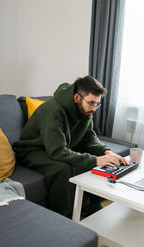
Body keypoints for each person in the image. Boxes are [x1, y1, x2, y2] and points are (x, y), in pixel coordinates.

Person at [13, 76, 128, 216]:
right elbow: (57, 151)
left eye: (97, 104)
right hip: (32, 150)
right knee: (62, 168)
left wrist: (106, 151)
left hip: (57, 145)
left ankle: (93, 204)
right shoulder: (53, 111)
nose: (94, 109)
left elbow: (89, 137)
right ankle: (59, 216)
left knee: (100, 157)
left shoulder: (85, 111)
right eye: (91, 103)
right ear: (76, 98)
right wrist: (94, 160)